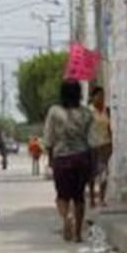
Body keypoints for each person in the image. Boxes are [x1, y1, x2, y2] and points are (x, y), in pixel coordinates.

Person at [43, 79, 97, 243]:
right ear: (79, 94)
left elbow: (49, 137)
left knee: (62, 196)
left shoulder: (54, 112)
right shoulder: (87, 113)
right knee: (79, 196)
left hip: (62, 158)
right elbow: (92, 140)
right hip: (82, 158)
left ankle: (66, 219)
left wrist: (51, 158)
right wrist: (93, 162)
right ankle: (78, 233)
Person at [88, 85, 113, 208]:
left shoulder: (106, 111)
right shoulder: (89, 112)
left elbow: (109, 128)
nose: (101, 98)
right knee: (92, 174)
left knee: (104, 173)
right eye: (99, 96)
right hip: (92, 146)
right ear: (93, 98)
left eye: (103, 96)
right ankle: (92, 198)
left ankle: (102, 198)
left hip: (105, 145)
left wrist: (111, 144)